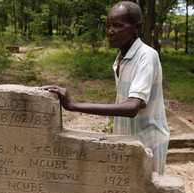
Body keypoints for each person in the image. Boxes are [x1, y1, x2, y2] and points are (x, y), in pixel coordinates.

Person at [44, 1, 169, 175]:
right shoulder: (121, 57)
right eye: (108, 26)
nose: (110, 32)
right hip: (127, 139)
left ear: (136, 27)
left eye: (118, 26)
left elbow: (132, 107)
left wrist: (73, 105)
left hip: (148, 141)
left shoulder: (146, 56)